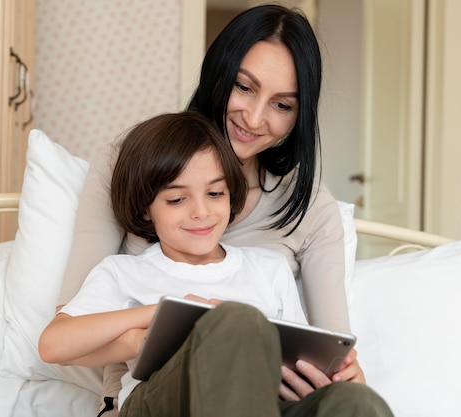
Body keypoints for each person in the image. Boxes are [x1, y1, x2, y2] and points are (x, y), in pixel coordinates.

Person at [56, 4, 385, 416]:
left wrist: (346, 376)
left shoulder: (311, 208)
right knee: (236, 323)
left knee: (357, 402)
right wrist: (149, 333)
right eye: (244, 87)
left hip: (270, 402)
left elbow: (332, 347)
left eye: (282, 105)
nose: (253, 117)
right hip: (160, 398)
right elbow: (64, 336)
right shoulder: (134, 163)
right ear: (218, 74)